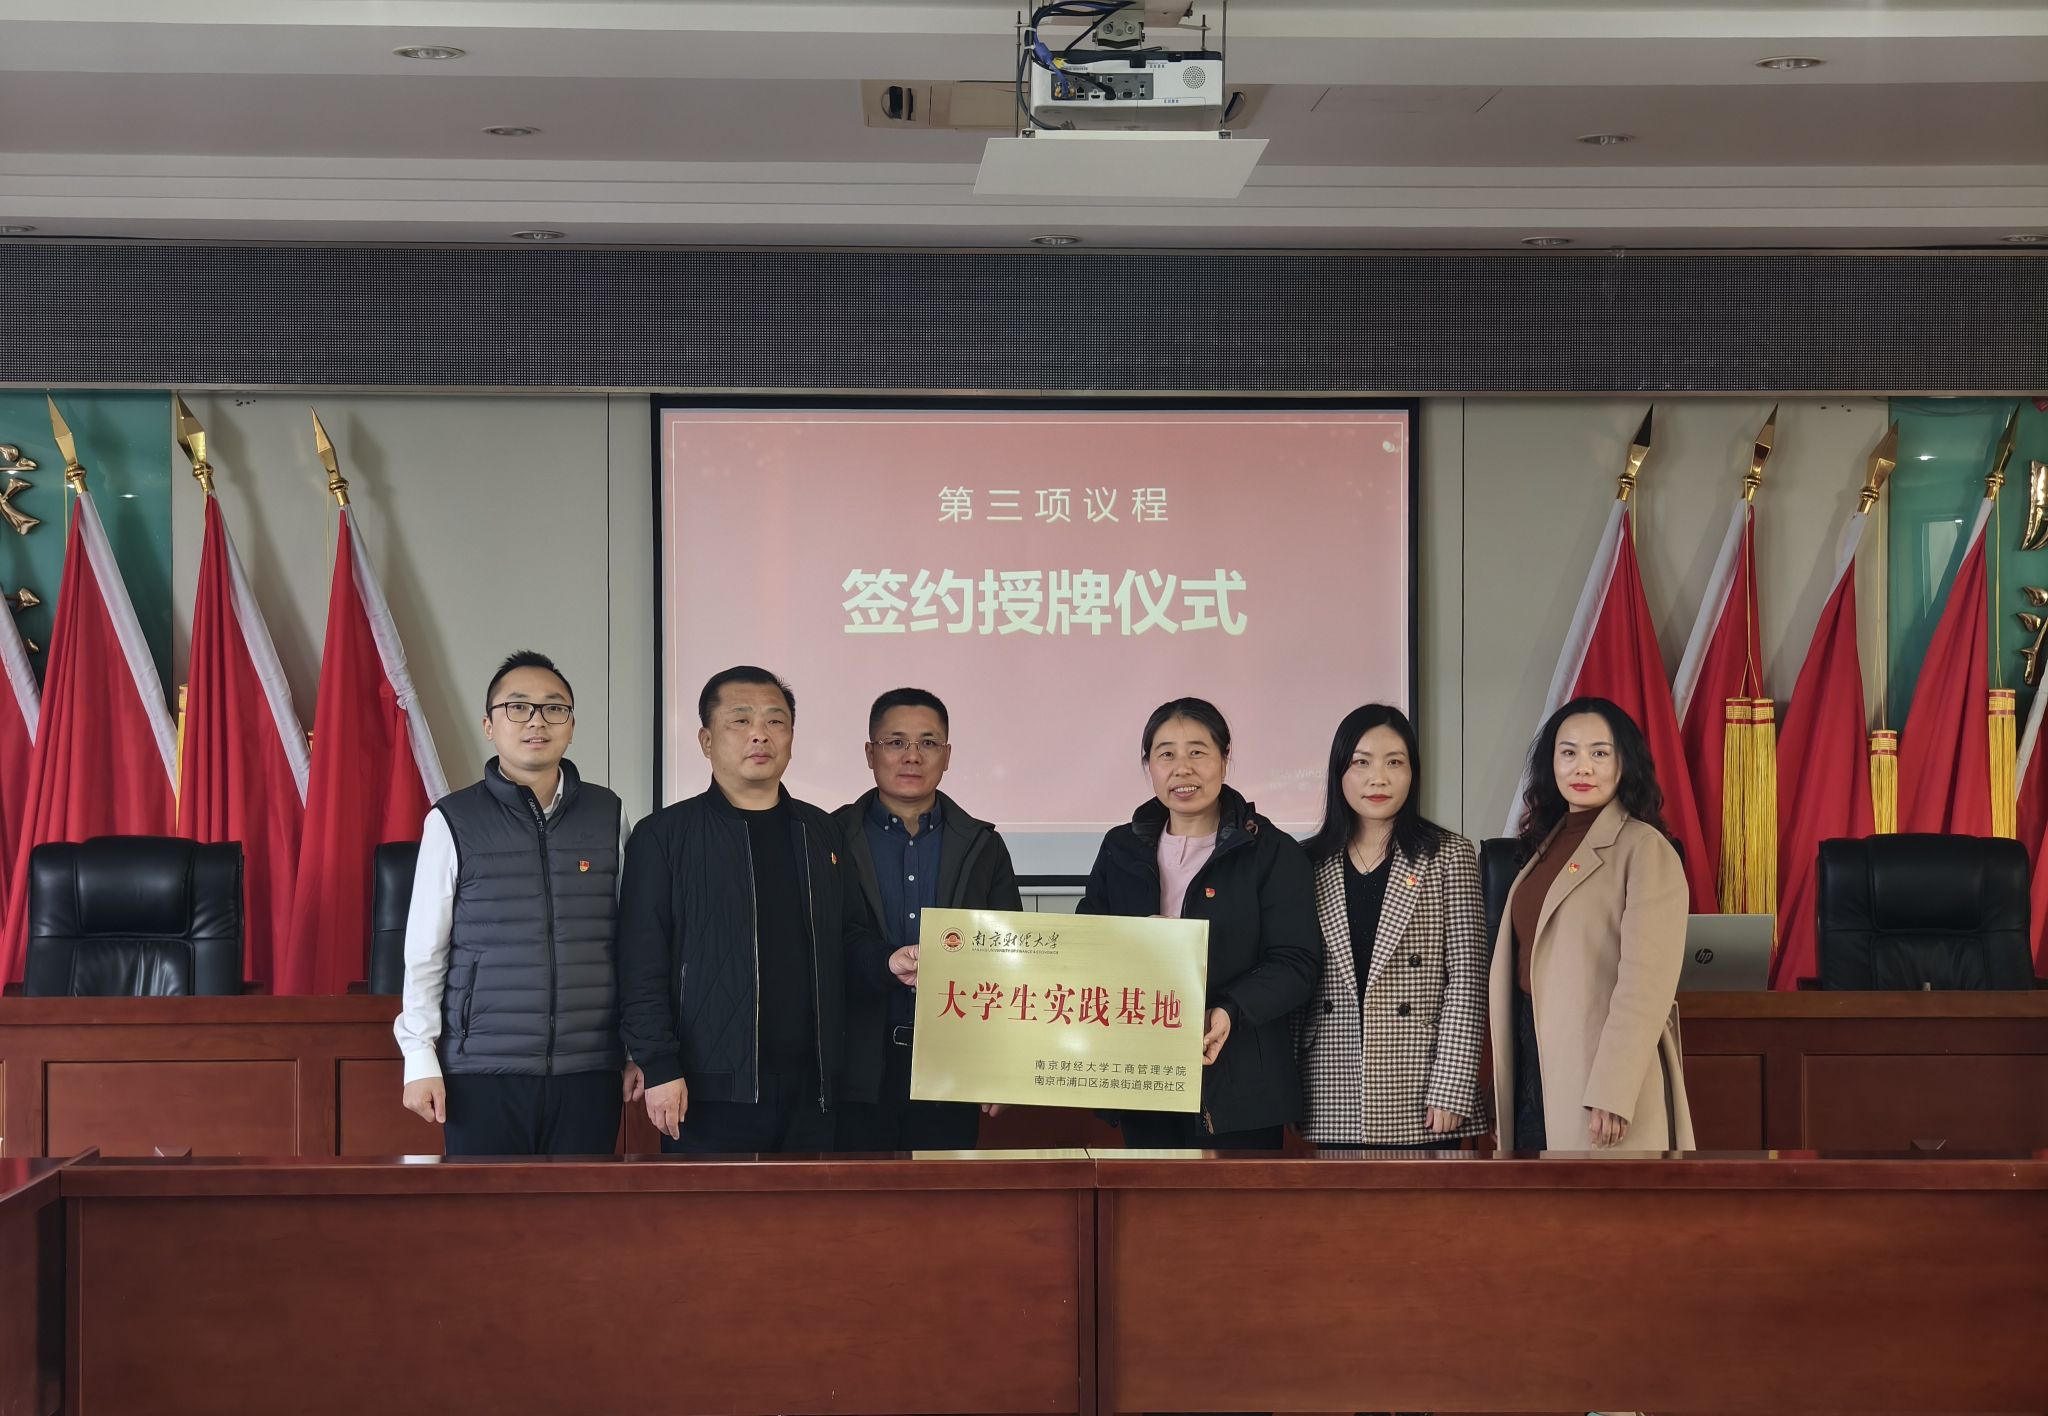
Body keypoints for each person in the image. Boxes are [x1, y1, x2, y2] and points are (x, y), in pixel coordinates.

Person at [617, 666, 888, 1153]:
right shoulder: (663, 837)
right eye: (740, 720)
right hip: (706, 1089)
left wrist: (889, 962)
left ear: (791, 738)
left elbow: (847, 938)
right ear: (706, 740)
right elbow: (641, 964)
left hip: (813, 1089)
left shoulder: (820, 832)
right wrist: (658, 1065)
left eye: (775, 721)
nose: (760, 734)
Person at [394, 650, 639, 1155]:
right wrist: (419, 1057)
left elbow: (633, 941)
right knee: (486, 1207)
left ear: (571, 725)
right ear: (489, 725)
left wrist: (638, 1049)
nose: (536, 721)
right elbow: (424, 951)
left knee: (583, 1204)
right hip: (481, 1070)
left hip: (589, 1067)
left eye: (554, 708)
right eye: (518, 707)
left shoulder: (607, 813)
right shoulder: (452, 819)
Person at [1078, 696, 1318, 1150]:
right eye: (1166, 754)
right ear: (1149, 765)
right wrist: (1134, 940)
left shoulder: (1270, 851)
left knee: (1237, 1198)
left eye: (1197, 752)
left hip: (1241, 1078)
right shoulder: (1119, 848)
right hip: (1142, 1073)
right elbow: (1089, 941)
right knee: (1148, 1196)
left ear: (1225, 759)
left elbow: (1295, 963)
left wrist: (1229, 1011)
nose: (1182, 768)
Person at [1490, 695, 1695, 1153]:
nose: (1582, 767)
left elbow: (1646, 984)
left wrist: (1613, 1089)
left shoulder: (1644, 848)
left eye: (1599, 753)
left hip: (1598, 1077)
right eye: (1568, 752)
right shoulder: (1545, 846)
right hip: (1533, 1063)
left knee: (1596, 1200)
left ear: (1624, 763)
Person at [833, 687, 1023, 1151]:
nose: (912, 756)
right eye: (896, 742)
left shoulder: (983, 845)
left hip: (951, 1067)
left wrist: (1003, 1065)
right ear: (870, 753)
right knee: (856, 1197)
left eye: (928, 743)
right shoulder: (829, 838)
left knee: (944, 1196)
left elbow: (1011, 960)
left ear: (947, 755)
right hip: (853, 1068)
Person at [1296, 704, 1488, 1149]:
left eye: (1394, 762)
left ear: (1412, 773)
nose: (1378, 778)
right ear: (1339, 772)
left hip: (1423, 1088)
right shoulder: (1307, 862)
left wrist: (1452, 1086)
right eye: (1361, 763)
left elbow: (1467, 978)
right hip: (1330, 1084)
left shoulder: (1448, 855)